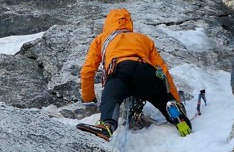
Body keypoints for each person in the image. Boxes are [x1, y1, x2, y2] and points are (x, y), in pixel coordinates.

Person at [78, 8, 192, 140]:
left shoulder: (102, 39)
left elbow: (88, 70)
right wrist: (176, 99)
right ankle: (174, 112)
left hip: (120, 71)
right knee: (160, 96)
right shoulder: (143, 38)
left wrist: (89, 98)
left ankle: (107, 125)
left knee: (111, 97)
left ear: (108, 23)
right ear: (129, 22)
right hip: (146, 71)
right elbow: (162, 70)